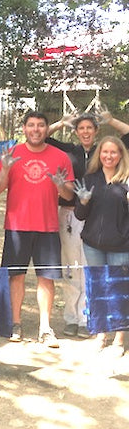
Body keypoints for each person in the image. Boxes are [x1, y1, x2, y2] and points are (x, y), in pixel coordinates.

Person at [0, 111, 75, 348]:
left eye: (41, 125)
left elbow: (69, 194)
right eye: (31, 125)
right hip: (17, 226)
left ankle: (45, 328)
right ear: (24, 128)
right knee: (16, 276)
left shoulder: (60, 157)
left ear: (47, 129)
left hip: (48, 227)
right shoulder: (12, 154)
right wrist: (6, 169)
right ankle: (15, 323)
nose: (36, 129)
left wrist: (61, 186)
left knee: (46, 279)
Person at [74, 136, 129, 357]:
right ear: (100, 155)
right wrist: (84, 202)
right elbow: (79, 214)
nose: (108, 156)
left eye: (113, 152)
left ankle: (119, 338)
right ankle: (100, 334)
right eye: (105, 152)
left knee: (119, 291)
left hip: (121, 246)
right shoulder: (90, 179)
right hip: (93, 245)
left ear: (121, 155)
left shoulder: (127, 180)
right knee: (97, 289)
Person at [45, 113, 99, 339]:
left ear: (96, 131)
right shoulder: (68, 151)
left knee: (89, 268)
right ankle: (71, 318)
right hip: (68, 214)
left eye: (89, 128)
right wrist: (61, 123)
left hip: (96, 216)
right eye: (81, 128)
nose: (85, 132)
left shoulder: (104, 150)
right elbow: (42, 137)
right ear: (76, 132)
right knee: (71, 267)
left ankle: (87, 318)